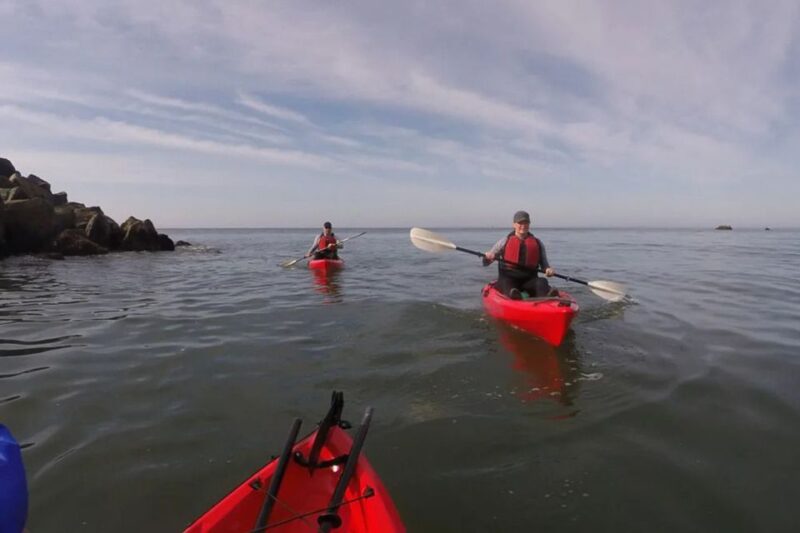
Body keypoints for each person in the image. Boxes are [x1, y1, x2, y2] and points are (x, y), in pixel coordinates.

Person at [483, 210, 558, 299]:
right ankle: (515, 296)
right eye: (520, 223)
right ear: (514, 225)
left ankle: (546, 298)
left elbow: (545, 266)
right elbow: (485, 263)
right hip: (509, 279)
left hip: (529, 280)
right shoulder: (504, 241)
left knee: (542, 282)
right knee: (509, 287)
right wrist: (488, 257)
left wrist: (548, 270)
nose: (523, 226)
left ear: (529, 225)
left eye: (526, 223)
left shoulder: (538, 243)